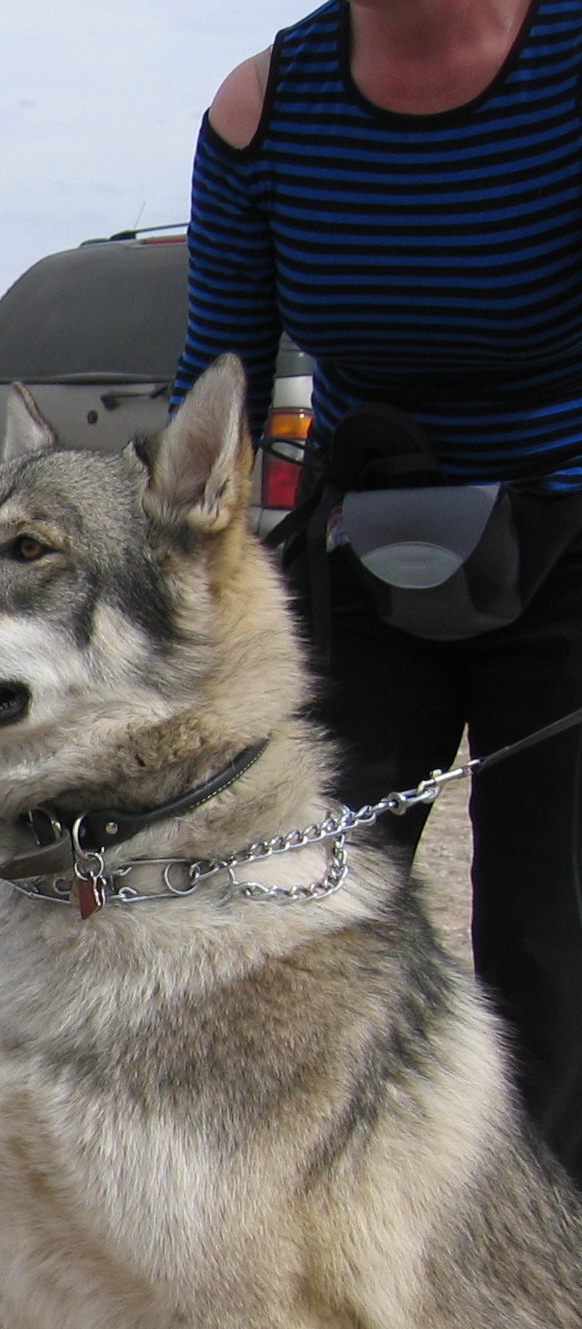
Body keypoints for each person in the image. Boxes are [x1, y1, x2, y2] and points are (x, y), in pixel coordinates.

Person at [175, 0, 582, 1186]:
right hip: (361, 546)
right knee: (296, 915)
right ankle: (276, 1235)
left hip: (570, 539)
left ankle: (543, 1276)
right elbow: (217, 388)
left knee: (546, 937)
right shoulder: (264, 105)